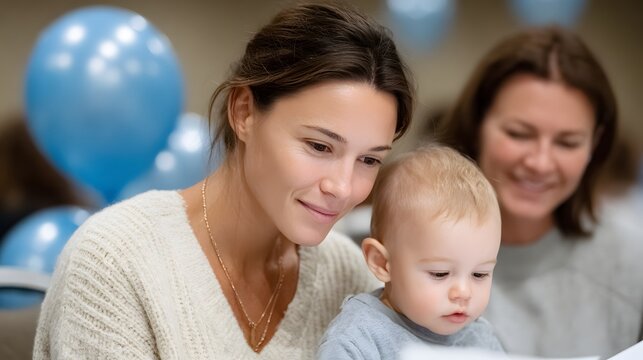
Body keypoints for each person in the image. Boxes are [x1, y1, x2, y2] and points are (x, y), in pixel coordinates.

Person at [33, 2, 414, 358]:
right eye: (319, 146)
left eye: (368, 159)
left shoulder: (349, 276)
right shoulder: (116, 260)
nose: (344, 187)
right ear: (244, 112)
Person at [438, 26, 643, 358]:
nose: (540, 162)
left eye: (567, 142)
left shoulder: (632, 264)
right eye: (519, 134)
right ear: (478, 125)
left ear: (595, 144)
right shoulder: (384, 242)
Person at [317, 144, 504, 359]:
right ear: (382, 263)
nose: (464, 292)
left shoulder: (481, 339)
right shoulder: (358, 339)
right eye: (440, 273)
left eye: (479, 274)